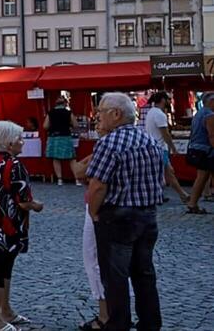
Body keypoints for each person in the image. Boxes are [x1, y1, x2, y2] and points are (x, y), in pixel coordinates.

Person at [86, 92, 163, 331]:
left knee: (115, 276)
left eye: (100, 112)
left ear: (116, 114)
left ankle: (118, 324)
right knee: (144, 273)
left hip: (117, 217)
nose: (97, 116)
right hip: (147, 215)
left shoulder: (109, 143)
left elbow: (98, 185)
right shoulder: (149, 140)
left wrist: (94, 212)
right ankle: (150, 323)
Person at [0, 120, 43, 331]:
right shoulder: (14, 165)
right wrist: (37, 206)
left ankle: (6, 310)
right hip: (8, 223)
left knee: (4, 263)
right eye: (20, 139)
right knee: (0, 265)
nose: (23, 142)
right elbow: (24, 200)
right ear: (10, 143)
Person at [72, 111, 115, 330]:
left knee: (94, 260)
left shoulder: (105, 146)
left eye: (99, 119)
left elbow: (80, 171)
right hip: (131, 212)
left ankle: (105, 315)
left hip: (100, 209)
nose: (96, 124)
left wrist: (94, 212)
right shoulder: (140, 139)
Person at [140, 92, 189, 203]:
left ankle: (160, 195)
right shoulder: (159, 115)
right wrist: (173, 148)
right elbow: (165, 134)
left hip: (153, 147)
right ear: (163, 100)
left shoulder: (151, 112)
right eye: (167, 99)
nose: (169, 101)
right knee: (169, 172)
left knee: (160, 173)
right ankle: (182, 194)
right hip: (160, 148)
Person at [183, 93, 214, 215]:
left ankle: (192, 203)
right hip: (206, 151)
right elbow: (212, 136)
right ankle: (192, 203)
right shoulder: (210, 115)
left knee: (201, 177)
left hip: (196, 149)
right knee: (202, 177)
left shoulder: (199, 113)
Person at [45, 96, 79, 185]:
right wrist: (69, 125)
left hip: (54, 137)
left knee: (56, 158)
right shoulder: (68, 112)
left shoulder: (51, 112)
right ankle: (77, 179)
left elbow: (45, 126)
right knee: (71, 158)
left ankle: (60, 179)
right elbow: (75, 124)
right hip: (65, 136)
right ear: (65, 104)